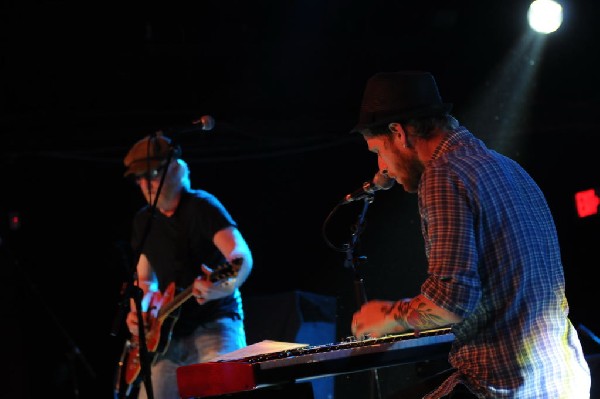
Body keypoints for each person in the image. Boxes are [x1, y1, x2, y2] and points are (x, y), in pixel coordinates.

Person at [349, 71, 591, 398]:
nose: (383, 169)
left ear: (399, 133)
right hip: (565, 380)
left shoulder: (443, 175)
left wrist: (385, 317)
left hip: (505, 386)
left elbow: (450, 304)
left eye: (377, 150)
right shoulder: (508, 168)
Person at [121, 132, 253, 399]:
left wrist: (223, 285)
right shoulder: (144, 221)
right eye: (139, 177)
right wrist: (140, 309)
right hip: (167, 338)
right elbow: (145, 280)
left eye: (153, 173)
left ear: (175, 169)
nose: (146, 183)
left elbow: (240, 256)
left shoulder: (202, 206)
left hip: (214, 323)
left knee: (225, 389)